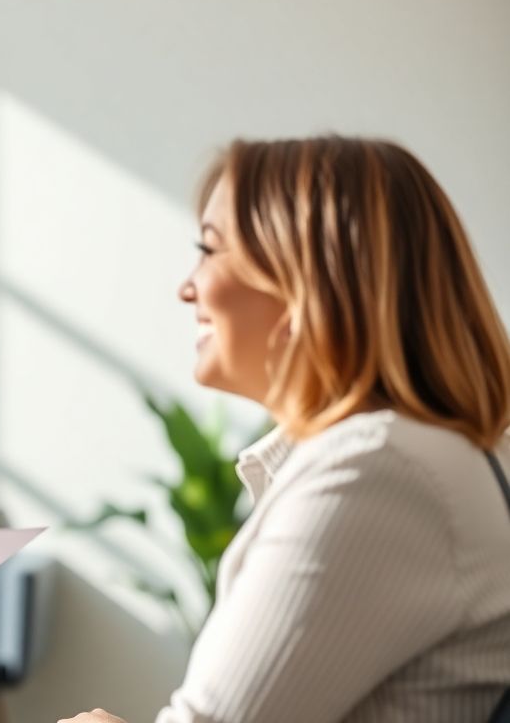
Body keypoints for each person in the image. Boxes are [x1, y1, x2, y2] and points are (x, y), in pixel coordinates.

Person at [61, 136, 510, 722]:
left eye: (209, 249)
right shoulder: (419, 458)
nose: (186, 288)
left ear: (306, 276)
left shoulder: (378, 470)